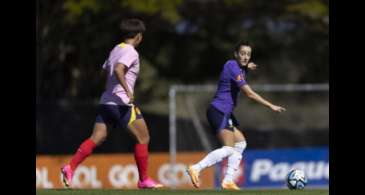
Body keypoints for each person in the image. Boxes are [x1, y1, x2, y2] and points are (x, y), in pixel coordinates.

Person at [60, 18, 163, 189]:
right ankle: (143, 179)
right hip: (121, 104)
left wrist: (108, 90)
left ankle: (70, 167)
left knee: (97, 138)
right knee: (143, 137)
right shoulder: (131, 52)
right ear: (138, 36)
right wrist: (127, 91)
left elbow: (105, 71)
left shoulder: (115, 49)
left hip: (107, 102)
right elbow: (118, 69)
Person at [186, 41, 286, 190]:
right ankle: (196, 168)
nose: (245, 57)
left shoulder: (240, 67)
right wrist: (270, 105)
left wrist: (247, 67)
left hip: (226, 113)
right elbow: (249, 93)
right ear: (236, 54)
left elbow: (242, 69)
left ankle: (227, 181)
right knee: (228, 148)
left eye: (248, 54)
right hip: (218, 110)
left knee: (240, 144)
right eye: (242, 53)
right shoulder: (231, 66)